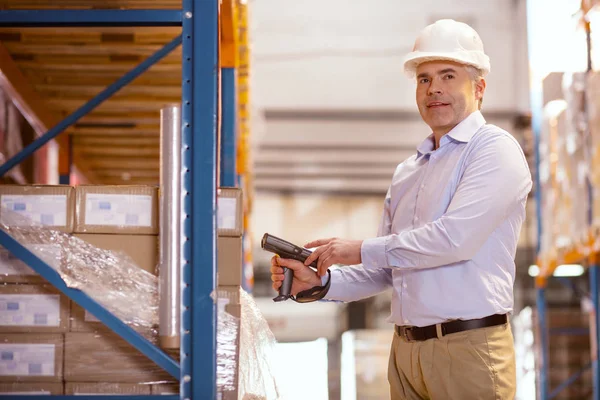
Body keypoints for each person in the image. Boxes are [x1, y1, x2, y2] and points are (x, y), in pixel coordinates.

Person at [270, 19, 532, 399]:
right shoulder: (410, 171)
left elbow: (453, 239)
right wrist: (321, 282)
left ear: (479, 88)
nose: (434, 88)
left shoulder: (493, 149)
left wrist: (355, 249)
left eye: (448, 75)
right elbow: (387, 269)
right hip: (405, 352)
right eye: (424, 79)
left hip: (468, 348)